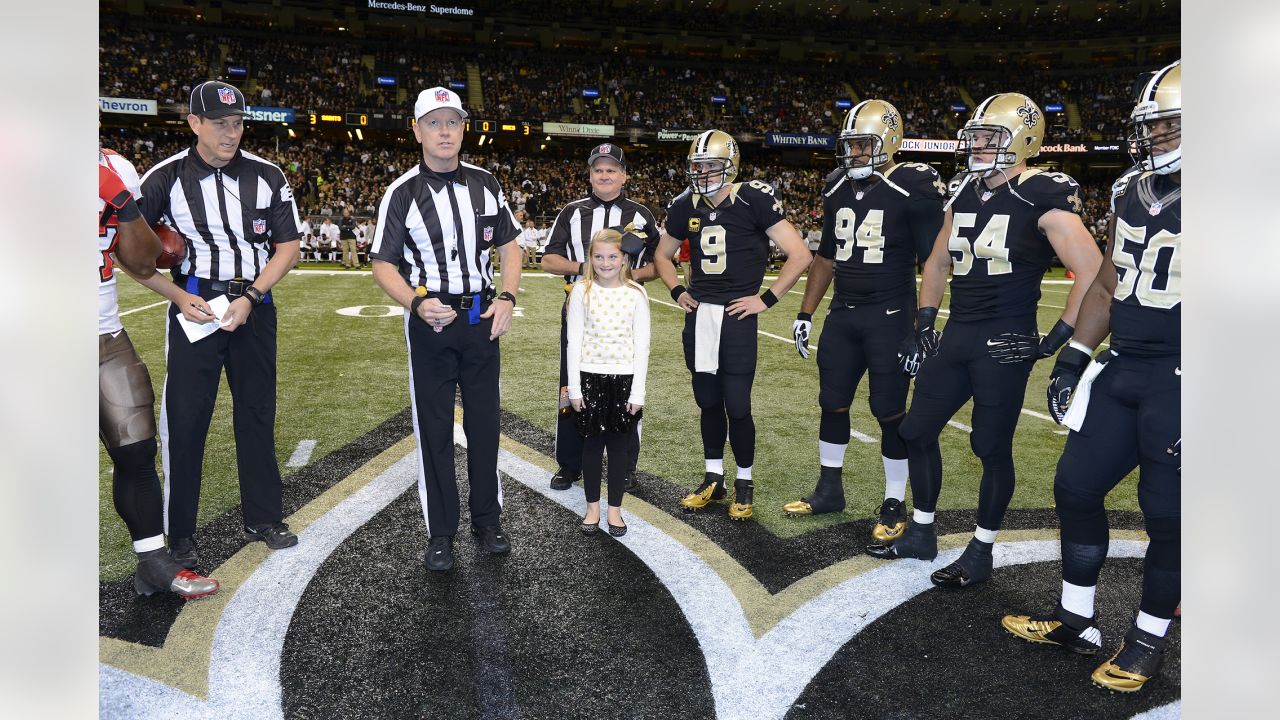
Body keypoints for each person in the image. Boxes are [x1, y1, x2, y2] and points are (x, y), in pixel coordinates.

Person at [868, 93, 1102, 588]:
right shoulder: (963, 193)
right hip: (957, 336)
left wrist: (1058, 337)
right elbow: (936, 261)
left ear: (1023, 140)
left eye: (988, 136)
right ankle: (923, 531)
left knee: (989, 445)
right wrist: (926, 321)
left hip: (1004, 340)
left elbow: (1093, 271)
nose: (976, 144)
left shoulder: (1041, 191)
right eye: (974, 135)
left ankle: (982, 548)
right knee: (914, 431)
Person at [1002, 60, 1181, 694]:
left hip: (1186, 375)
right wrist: (1076, 353)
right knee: (1076, 487)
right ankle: (1077, 620)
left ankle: (1150, 638)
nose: (1153, 138)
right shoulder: (1131, 185)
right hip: (1126, 364)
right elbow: (1107, 278)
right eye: (1150, 127)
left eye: (1169, 126)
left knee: (1169, 515)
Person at [134, 80, 303, 568]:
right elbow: (131, 255)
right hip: (196, 308)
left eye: (237, 123)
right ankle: (181, 532)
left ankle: (264, 516)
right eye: (220, 123)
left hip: (253, 304)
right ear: (194, 123)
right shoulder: (163, 179)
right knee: (186, 421)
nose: (232, 133)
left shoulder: (268, 176)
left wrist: (252, 296)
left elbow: (287, 247)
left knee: (256, 412)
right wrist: (179, 296)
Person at [370, 86, 522, 572]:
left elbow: (512, 246)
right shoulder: (401, 192)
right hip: (431, 323)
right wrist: (415, 303)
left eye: (451, 122)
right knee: (433, 428)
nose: (443, 131)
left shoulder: (485, 182)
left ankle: (487, 519)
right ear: (416, 130)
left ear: (463, 129)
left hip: (481, 318)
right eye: (433, 122)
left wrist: (508, 296)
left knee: (484, 424)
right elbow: (383, 265)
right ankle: (441, 532)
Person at [783, 100, 945, 551]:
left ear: (889, 141)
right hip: (844, 313)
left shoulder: (914, 184)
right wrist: (805, 312)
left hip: (890, 316)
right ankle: (829, 489)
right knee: (831, 402)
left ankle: (894, 501)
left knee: (889, 411)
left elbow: (934, 261)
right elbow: (826, 257)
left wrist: (920, 327)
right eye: (850, 144)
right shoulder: (835, 186)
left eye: (863, 144)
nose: (854, 153)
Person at [653, 129, 812, 520]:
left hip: (737, 314)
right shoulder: (682, 204)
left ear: (731, 165)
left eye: (711, 165)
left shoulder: (753, 197)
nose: (703, 173)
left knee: (737, 404)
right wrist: (677, 291)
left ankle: (744, 481)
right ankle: (713, 477)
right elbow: (662, 256)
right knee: (707, 400)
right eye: (698, 166)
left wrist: (766, 299)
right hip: (699, 313)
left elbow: (799, 254)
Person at [99, 149, 220, 599]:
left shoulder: (117, 170)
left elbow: (142, 260)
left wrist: (122, 203)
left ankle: (152, 562)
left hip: (105, 335)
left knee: (136, 451)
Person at [541, 143, 660, 494]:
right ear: (590, 175)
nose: (604, 175)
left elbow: (660, 263)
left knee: (626, 384)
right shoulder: (572, 212)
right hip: (581, 308)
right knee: (572, 384)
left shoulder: (642, 215)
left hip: (625, 311)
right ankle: (569, 463)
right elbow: (548, 259)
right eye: (598, 169)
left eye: (611, 169)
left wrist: (626, 279)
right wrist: (586, 269)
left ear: (624, 176)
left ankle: (625, 466)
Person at [566, 228, 651, 536]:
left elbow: (642, 345)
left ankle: (614, 510)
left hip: (624, 381)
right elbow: (573, 342)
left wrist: (637, 391)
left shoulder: (636, 293)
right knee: (591, 447)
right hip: (589, 379)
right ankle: (592, 508)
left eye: (612, 256)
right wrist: (574, 388)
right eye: (598, 256)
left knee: (618, 449)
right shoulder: (580, 291)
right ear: (590, 258)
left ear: (624, 258)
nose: (605, 263)